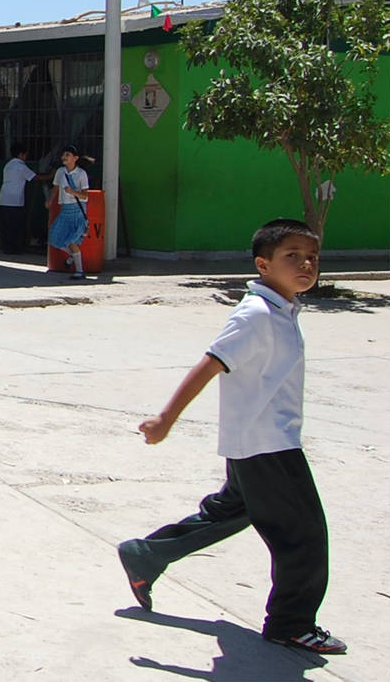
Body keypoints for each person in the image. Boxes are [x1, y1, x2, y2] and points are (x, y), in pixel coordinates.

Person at [117, 219, 346, 656]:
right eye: (292, 256)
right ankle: (291, 624)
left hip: (256, 440)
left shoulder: (281, 308)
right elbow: (210, 363)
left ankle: (146, 555)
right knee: (304, 537)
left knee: (232, 511)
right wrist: (165, 419)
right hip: (269, 445)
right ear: (263, 265)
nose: (306, 265)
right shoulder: (256, 315)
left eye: (312, 258)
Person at [0, 142, 53, 254]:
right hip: (15, 201)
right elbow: (35, 177)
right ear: (21, 154)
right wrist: (51, 176)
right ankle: (14, 248)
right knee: (16, 225)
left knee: (6, 225)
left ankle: (7, 247)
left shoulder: (8, 165)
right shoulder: (21, 166)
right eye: (25, 155)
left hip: (3, 198)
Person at [47, 144, 90, 279]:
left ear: (75, 158)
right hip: (65, 209)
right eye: (63, 155)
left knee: (72, 241)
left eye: (67, 155)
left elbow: (85, 196)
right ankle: (73, 256)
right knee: (54, 237)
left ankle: (79, 271)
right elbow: (55, 188)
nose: (64, 157)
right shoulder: (60, 172)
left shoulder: (81, 174)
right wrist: (50, 200)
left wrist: (72, 192)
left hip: (77, 211)